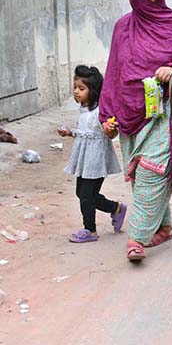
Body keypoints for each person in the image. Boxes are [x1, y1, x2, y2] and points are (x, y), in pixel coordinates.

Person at [99, 0, 172, 262]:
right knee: (138, 173)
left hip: (166, 115)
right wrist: (106, 114)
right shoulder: (122, 27)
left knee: (151, 171)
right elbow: (114, 71)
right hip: (130, 113)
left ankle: (137, 237)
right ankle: (165, 227)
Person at [60, 65, 125, 243]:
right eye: (75, 87)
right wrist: (70, 132)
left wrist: (111, 129)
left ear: (93, 90)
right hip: (85, 157)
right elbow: (85, 132)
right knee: (82, 193)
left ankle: (90, 230)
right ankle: (116, 208)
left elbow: (110, 133)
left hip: (96, 158)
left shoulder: (101, 111)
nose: (76, 92)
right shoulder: (84, 109)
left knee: (87, 195)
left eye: (81, 88)